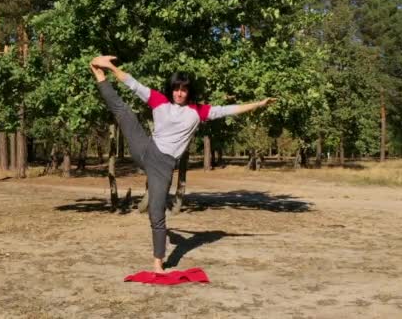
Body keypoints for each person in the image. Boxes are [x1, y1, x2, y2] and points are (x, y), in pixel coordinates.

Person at [90, 55, 276, 273]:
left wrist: (259, 104)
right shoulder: (158, 100)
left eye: (184, 89)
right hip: (146, 149)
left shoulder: (198, 112)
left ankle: (158, 263)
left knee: (156, 213)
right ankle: (98, 73)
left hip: (163, 167)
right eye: (176, 88)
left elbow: (229, 109)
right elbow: (131, 82)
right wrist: (110, 67)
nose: (179, 93)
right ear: (172, 89)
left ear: (189, 92)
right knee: (124, 113)